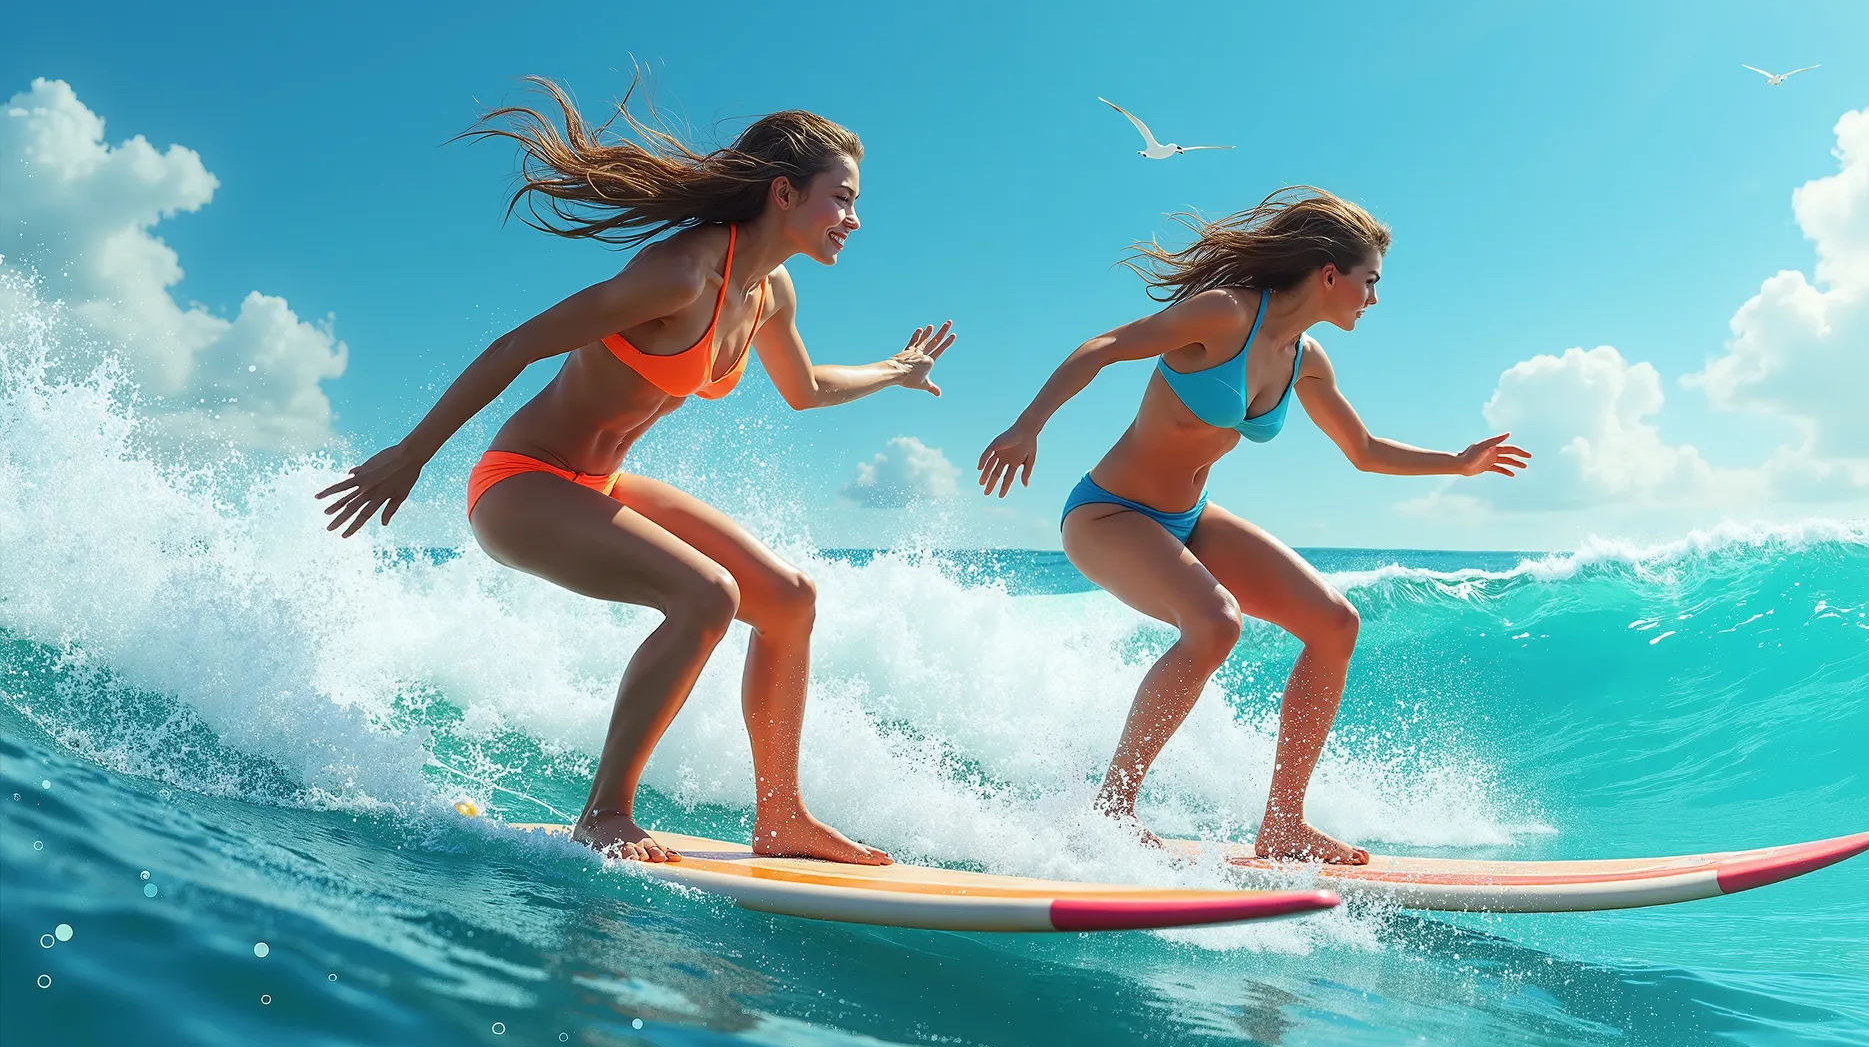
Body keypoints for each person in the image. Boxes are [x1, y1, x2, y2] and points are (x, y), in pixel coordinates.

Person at [317, 78, 955, 865]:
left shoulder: (769, 293)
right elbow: (520, 345)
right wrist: (411, 455)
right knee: (708, 597)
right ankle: (604, 813)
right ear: (785, 193)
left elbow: (808, 389)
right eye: (843, 199)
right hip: (521, 485)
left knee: (790, 601)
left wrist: (897, 368)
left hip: (601, 488)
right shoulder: (679, 275)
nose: (854, 220)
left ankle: (782, 816)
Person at [976, 188, 1527, 863]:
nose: (1374, 300)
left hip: (1189, 518)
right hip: (1107, 513)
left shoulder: (1307, 359)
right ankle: (1112, 807)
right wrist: (1026, 427)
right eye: (1370, 282)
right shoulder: (1225, 314)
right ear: (1330, 276)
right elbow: (1106, 346)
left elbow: (1362, 451)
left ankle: (1284, 823)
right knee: (1216, 622)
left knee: (1335, 624)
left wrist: (1458, 463)